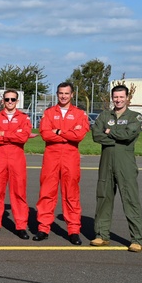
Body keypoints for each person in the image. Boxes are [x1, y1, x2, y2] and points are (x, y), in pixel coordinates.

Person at [90, 84, 142, 252]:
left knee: (130, 199)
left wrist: (109, 131)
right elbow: (96, 135)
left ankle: (136, 239)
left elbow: (129, 135)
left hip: (125, 163)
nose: (118, 100)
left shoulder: (134, 116)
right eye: (116, 97)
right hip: (106, 162)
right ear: (112, 98)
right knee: (103, 197)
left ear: (127, 98)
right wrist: (113, 135)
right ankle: (102, 235)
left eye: (121, 97)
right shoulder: (104, 115)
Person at [34, 82, 89, 244]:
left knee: (71, 194)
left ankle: (73, 230)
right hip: (52, 156)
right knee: (46, 193)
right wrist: (67, 134)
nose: (63, 96)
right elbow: (45, 134)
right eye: (60, 93)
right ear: (57, 94)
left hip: (70, 157)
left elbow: (79, 135)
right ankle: (43, 228)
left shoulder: (79, 114)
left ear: (72, 95)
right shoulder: (49, 113)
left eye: (66, 93)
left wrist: (58, 131)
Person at [0, 89, 32, 239]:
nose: (10, 102)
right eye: (7, 99)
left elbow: (23, 137)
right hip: (0, 156)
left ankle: (20, 226)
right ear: (3, 101)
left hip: (16, 157)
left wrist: (4, 133)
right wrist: (13, 134)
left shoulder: (24, 118)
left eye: (12, 99)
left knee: (18, 192)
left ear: (17, 101)